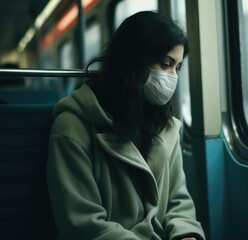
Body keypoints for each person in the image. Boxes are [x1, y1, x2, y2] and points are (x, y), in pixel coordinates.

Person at [47, 11, 205, 240]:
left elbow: (178, 202)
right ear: (133, 62)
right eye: (166, 64)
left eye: (177, 68)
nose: (172, 77)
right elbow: (83, 225)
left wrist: (185, 234)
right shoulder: (71, 129)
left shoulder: (165, 128)